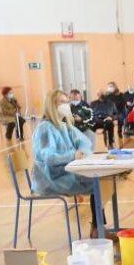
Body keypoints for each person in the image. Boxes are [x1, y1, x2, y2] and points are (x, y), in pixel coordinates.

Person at [30, 91, 97, 232]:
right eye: (62, 102)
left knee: (101, 181)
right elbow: (49, 158)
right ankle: (97, 229)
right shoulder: (45, 128)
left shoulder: (64, 126)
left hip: (65, 173)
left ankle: (98, 227)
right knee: (98, 183)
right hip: (51, 178)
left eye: (67, 102)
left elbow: (84, 142)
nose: (66, 105)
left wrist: (81, 152)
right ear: (52, 105)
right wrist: (73, 155)